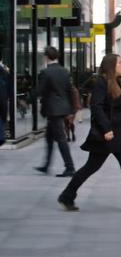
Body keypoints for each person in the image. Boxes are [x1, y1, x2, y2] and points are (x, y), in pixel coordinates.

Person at [58, 54, 121, 214]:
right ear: (111, 66)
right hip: (108, 135)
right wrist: (107, 129)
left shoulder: (118, 82)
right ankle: (67, 195)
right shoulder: (102, 83)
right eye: (120, 63)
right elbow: (96, 107)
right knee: (91, 167)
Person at [34, 47, 76, 177]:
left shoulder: (46, 72)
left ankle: (70, 167)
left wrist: (29, 98)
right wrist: (71, 109)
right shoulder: (64, 71)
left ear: (47, 57)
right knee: (49, 138)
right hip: (62, 108)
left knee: (61, 139)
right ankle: (46, 166)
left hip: (53, 110)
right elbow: (70, 90)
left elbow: (40, 90)